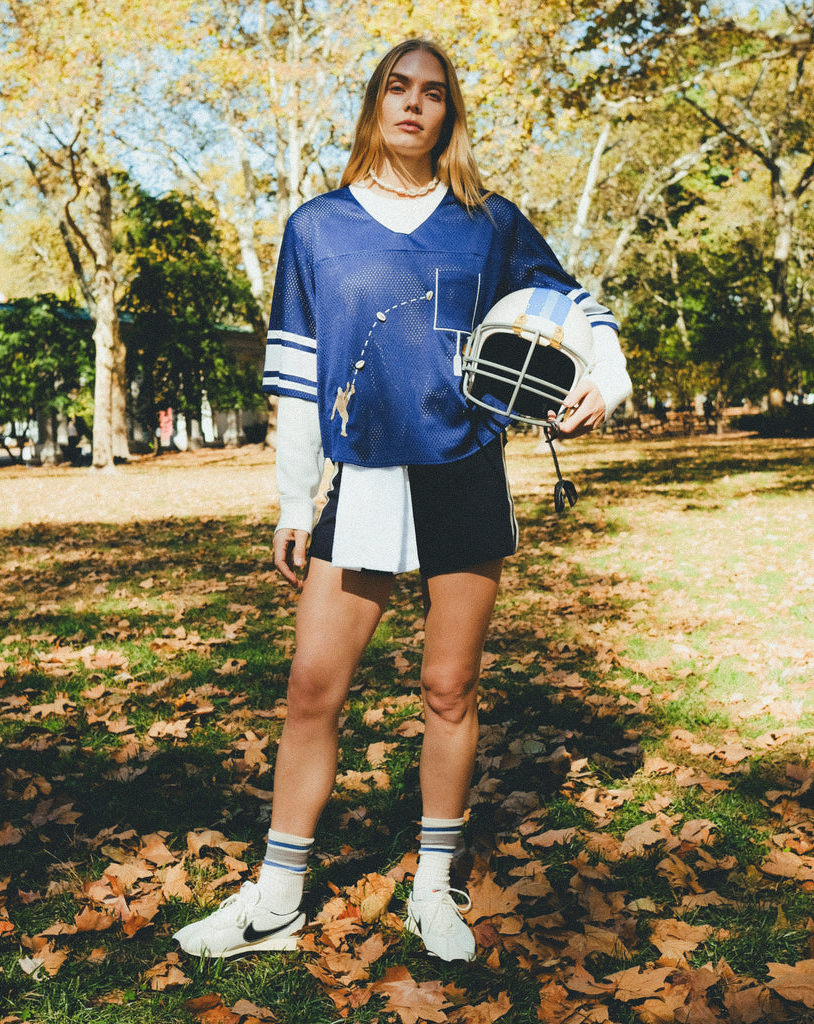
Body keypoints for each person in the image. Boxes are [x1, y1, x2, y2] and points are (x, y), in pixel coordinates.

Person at [175, 37, 632, 964]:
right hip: (365, 473)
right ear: (375, 103)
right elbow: (298, 380)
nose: (414, 104)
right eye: (398, 88)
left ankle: (432, 889)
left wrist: (608, 379)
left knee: (447, 689)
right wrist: (293, 503)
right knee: (312, 688)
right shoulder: (317, 228)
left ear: (447, 112)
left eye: (432, 92)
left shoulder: (487, 222)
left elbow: (577, 307)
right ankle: (278, 898)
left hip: (463, 467)